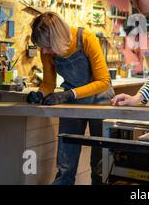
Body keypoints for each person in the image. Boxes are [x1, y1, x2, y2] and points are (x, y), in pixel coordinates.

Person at [27, 12, 115, 185]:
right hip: (72, 101)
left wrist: (68, 94)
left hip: (100, 100)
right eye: (41, 47)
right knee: (66, 163)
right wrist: (39, 94)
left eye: (47, 46)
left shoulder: (85, 38)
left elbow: (104, 82)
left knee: (100, 162)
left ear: (57, 39)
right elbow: (48, 83)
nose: (44, 51)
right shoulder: (47, 51)